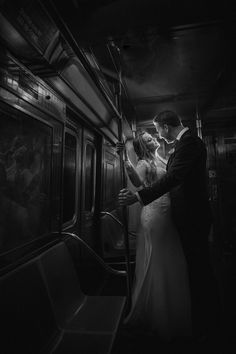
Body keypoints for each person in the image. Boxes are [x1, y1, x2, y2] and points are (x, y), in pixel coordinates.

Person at [118, 111, 221, 342]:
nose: (157, 136)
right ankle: (197, 316)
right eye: (151, 135)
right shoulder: (178, 148)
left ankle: (209, 322)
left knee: (199, 269)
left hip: (191, 217)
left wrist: (140, 197)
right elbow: (162, 178)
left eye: (158, 130)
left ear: (165, 126)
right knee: (193, 266)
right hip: (175, 215)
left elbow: (173, 178)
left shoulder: (189, 144)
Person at [117, 130, 192, 341]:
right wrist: (125, 158)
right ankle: (159, 313)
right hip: (155, 214)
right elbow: (137, 180)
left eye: (153, 136)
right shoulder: (143, 163)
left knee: (168, 257)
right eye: (149, 139)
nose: (154, 139)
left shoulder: (159, 158)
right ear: (143, 145)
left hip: (166, 212)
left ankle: (168, 305)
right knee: (158, 259)